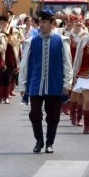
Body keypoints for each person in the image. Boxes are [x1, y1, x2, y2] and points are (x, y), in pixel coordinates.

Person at [18, 10, 73, 153]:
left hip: (55, 84)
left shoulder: (61, 40)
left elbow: (67, 63)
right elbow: (24, 64)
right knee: (35, 113)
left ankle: (50, 142)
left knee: (53, 115)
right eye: (40, 22)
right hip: (36, 84)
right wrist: (22, 84)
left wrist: (67, 83)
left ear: (51, 24)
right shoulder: (31, 41)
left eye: (44, 22)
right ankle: (39, 141)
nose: (41, 25)